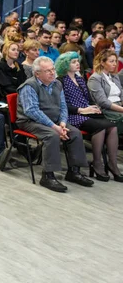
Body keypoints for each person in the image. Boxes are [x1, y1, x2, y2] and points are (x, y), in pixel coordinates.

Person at [17, 57, 93, 192]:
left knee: (74, 132)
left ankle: (74, 171)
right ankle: (48, 175)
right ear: (37, 73)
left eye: (53, 69)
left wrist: (63, 123)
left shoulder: (57, 83)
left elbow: (63, 106)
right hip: (30, 121)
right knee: (51, 135)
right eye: (48, 71)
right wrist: (55, 127)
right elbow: (32, 111)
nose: (52, 73)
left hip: (55, 120)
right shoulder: (29, 86)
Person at [56, 51, 120, 182]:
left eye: (77, 61)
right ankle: (97, 163)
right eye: (73, 62)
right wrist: (82, 110)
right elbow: (61, 105)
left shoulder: (80, 79)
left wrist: (93, 107)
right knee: (100, 128)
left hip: (87, 111)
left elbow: (88, 98)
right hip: (73, 115)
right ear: (65, 65)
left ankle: (112, 164)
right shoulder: (60, 81)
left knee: (112, 127)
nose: (77, 64)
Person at [88, 49, 123, 134]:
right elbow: (103, 102)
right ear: (102, 63)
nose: (115, 64)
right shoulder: (95, 78)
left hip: (120, 106)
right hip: (107, 110)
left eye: (115, 61)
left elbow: (121, 93)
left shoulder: (114, 76)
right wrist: (121, 109)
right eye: (111, 61)